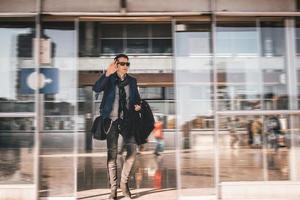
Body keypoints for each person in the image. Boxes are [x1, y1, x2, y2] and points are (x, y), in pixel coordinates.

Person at [93, 54, 141, 200]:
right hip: (112, 121)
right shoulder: (109, 79)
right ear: (116, 64)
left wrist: (137, 105)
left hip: (127, 121)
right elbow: (96, 88)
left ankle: (123, 183)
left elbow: (135, 98)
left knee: (132, 152)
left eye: (127, 63)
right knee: (112, 156)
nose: (125, 66)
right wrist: (107, 73)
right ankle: (113, 189)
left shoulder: (132, 81)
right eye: (122, 63)